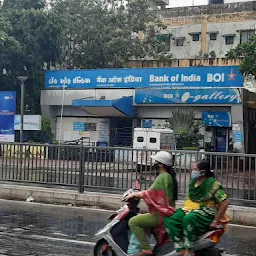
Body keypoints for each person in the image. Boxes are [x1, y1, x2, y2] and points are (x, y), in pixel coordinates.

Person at [164, 161, 230, 256]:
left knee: (188, 219)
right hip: (189, 209)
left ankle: (189, 249)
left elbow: (225, 202)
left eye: (195, 170)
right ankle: (180, 247)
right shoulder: (193, 183)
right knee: (169, 219)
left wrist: (215, 221)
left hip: (206, 210)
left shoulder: (213, 184)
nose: (193, 171)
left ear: (203, 172)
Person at [124, 151, 178, 256]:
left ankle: (146, 249)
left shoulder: (163, 177)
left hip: (160, 214)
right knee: (143, 218)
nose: (154, 163)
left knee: (133, 222)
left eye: (156, 161)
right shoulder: (168, 176)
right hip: (166, 212)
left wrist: (133, 195)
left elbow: (150, 193)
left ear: (161, 164)